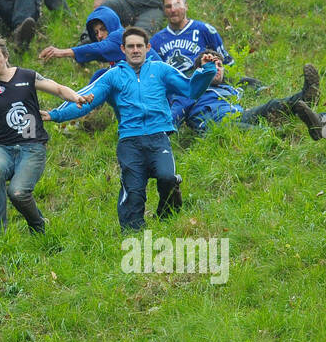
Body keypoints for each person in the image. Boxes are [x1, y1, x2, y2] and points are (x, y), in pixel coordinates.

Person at [45, 26, 215, 230]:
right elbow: (86, 99)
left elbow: (190, 89)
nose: (135, 50)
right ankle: (133, 232)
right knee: (133, 190)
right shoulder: (112, 76)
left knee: (167, 178)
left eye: (139, 46)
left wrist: (207, 70)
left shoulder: (161, 70)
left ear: (148, 48)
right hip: (129, 141)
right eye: (131, 46)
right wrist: (55, 114)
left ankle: (167, 216)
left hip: (158, 136)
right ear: (123, 49)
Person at [0, 35, 90, 236]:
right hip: (3, 148)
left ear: (5, 56)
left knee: (18, 193)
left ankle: (38, 224)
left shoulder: (26, 77)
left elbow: (57, 88)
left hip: (33, 147)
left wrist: (76, 97)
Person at [174, 52, 321, 133]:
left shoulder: (231, 88)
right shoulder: (190, 89)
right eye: (210, 64)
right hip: (216, 125)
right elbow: (175, 113)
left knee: (272, 105)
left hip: (239, 115)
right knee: (244, 130)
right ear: (199, 70)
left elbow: (256, 86)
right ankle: (281, 135)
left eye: (219, 65)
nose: (217, 68)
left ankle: (307, 97)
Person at [150, 0, 232, 73]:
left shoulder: (205, 30)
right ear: (164, 10)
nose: (173, 10)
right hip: (171, 83)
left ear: (186, 6)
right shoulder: (156, 40)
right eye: (168, 6)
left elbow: (226, 62)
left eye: (177, 5)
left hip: (202, 82)